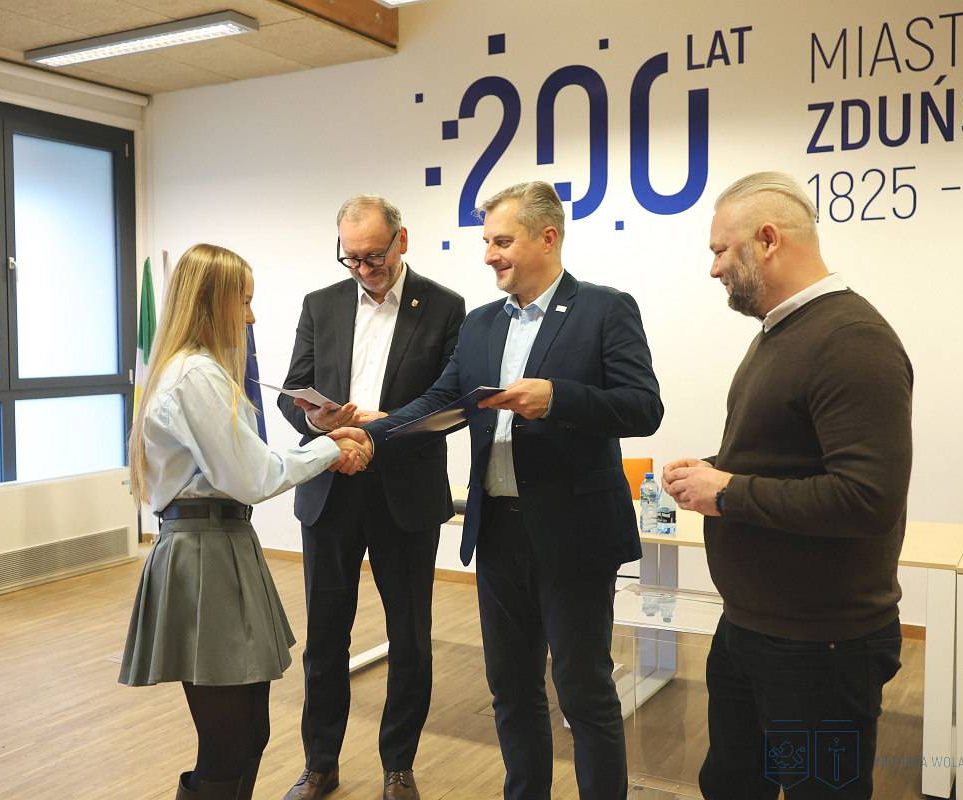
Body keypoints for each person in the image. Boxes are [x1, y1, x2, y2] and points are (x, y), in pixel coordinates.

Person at [337, 181, 663, 800]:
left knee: (583, 692)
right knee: (511, 689)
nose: (489, 254)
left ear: (548, 237)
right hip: (498, 534)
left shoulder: (605, 309)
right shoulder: (482, 324)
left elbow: (643, 407)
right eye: (487, 241)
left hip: (573, 537)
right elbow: (443, 401)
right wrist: (373, 434)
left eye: (502, 241)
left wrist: (558, 398)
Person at [663, 172, 912, 799]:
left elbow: (866, 498)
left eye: (721, 250)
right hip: (753, 627)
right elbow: (783, 458)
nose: (714, 269)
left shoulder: (852, 341)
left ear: (768, 240)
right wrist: (711, 471)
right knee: (731, 783)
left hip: (819, 648)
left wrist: (726, 491)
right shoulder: (782, 333)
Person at [119, 243, 368, 800]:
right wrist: (330, 446)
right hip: (203, 552)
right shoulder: (195, 375)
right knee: (228, 741)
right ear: (212, 301)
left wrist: (322, 441)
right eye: (245, 301)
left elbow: (246, 468)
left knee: (250, 732)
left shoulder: (199, 372)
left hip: (221, 544)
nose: (251, 318)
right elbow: (252, 476)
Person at [277, 195, 465, 800]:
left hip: (404, 491)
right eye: (351, 258)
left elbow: (452, 402)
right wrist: (318, 420)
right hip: (330, 486)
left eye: (374, 257)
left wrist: (383, 427)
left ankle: (398, 767)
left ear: (401, 241)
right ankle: (320, 765)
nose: (363, 269)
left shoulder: (444, 306)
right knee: (325, 639)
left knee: (409, 637)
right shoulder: (320, 304)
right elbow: (290, 392)